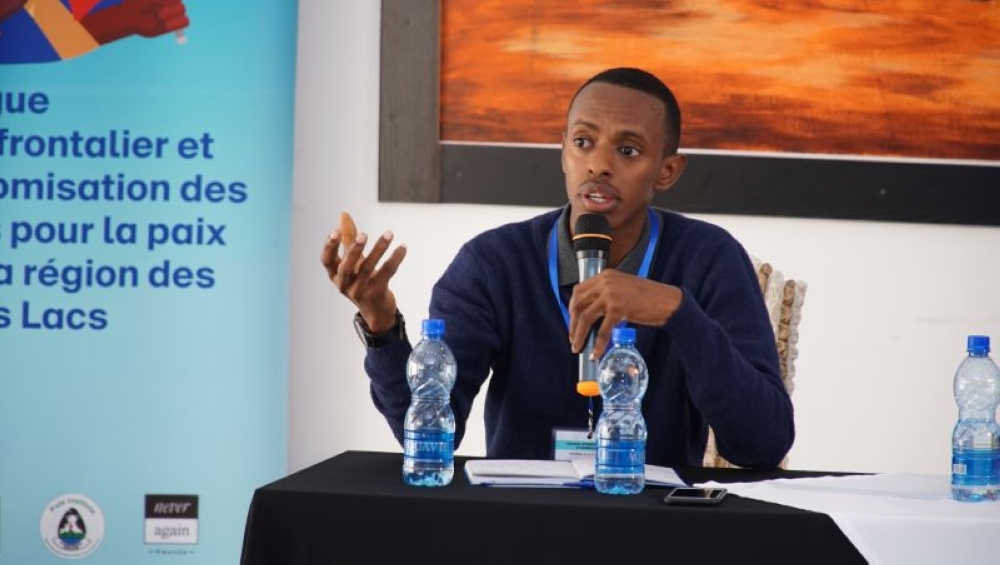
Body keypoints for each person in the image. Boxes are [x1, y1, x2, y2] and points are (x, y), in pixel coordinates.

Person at [321, 67, 794, 469]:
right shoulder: (493, 263)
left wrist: (679, 313)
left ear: (667, 171)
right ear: (563, 152)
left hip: (656, 526)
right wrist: (381, 324)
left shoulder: (709, 258)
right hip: (521, 524)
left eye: (628, 151)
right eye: (583, 142)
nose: (599, 165)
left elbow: (762, 444)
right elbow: (427, 435)